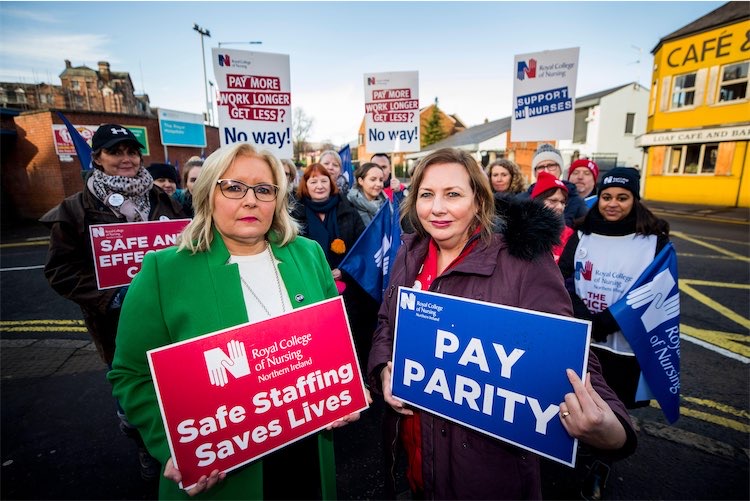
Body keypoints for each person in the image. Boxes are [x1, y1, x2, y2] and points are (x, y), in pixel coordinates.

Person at [368, 148, 636, 500]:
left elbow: (565, 355)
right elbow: (388, 322)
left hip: (484, 471)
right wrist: (385, 367)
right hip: (413, 454)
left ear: (479, 201)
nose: (437, 208)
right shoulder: (410, 251)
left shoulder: (522, 260)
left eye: (453, 194)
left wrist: (611, 429)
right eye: (426, 194)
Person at [108, 142, 363, 500]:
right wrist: (173, 445)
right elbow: (130, 374)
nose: (250, 200)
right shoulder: (163, 272)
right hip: (223, 473)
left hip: (306, 457)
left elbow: (331, 341)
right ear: (208, 193)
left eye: (263, 189)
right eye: (233, 187)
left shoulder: (308, 254)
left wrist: (346, 386)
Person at [39, 123, 186, 481]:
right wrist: (113, 296)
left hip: (168, 316)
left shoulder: (163, 199)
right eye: (115, 152)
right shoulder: (74, 209)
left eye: (131, 151)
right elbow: (60, 271)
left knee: (174, 387)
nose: (126, 159)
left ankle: (179, 446)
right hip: (115, 322)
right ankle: (146, 449)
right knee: (131, 392)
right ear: (98, 158)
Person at [558, 167, 670, 499]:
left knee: (615, 402)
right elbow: (562, 276)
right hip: (584, 336)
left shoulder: (655, 240)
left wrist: (610, 320)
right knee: (581, 393)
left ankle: (602, 464)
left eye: (622, 198)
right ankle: (578, 453)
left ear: (635, 200)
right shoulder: (583, 234)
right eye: (606, 197)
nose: (613, 204)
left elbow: (655, 288)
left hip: (626, 342)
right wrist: (582, 313)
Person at [291, 163, 378, 368]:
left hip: (348, 290)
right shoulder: (295, 214)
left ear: (331, 184)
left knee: (353, 336)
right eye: (313, 181)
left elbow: (364, 247)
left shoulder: (347, 209)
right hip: (313, 288)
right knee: (322, 339)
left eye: (324, 181)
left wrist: (345, 271)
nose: (319, 186)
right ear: (305, 185)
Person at [524, 143, 588, 226]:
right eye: (540, 167)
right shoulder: (521, 200)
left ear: (560, 169)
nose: (546, 171)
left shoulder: (576, 201)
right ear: (534, 172)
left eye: (551, 166)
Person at [530, 171, 574, 264]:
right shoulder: (519, 233)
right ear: (537, 202)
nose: (559, 207)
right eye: (553, 201)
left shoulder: (569, 235)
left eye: (562, 202)